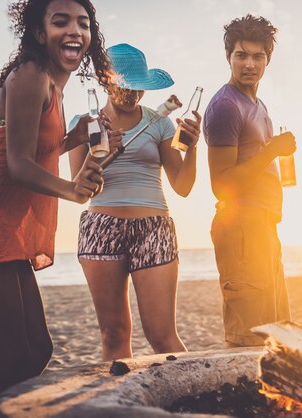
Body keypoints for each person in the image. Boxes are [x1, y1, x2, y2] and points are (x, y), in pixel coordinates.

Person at [0, 0, 112, 416]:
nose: (75, 31)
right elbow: (17, 164)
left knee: (36, 352)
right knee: (10, 359)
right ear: (38, 34)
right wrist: (72, 190)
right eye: (61, 21)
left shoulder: (53, 83)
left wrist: (76, 136)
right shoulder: (31, 75)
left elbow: (37, 146)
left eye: (83, 24)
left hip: (5, 229)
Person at [69, 43, 200, 360]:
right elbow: (80, 192)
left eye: (138, 88)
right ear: (105, 80)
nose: (132, 95)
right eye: (124, 86)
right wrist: (98, 154)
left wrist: (193, 148)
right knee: (113, 335)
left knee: (163, 337)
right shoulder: (84, 124)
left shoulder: (160, 123)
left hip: (153, 228)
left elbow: (182, 186)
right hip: (101, 228)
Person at [203, 14, 296, 347]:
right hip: (240, 227)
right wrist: (271, 152)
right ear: (228, 56)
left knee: (274, 335)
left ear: (268, 60)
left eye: (258, 56)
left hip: (263, 226)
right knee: (249, 339)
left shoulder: (257, 105)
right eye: (241, 55)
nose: (249, 64)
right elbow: (222, 185)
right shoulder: (226, 106)